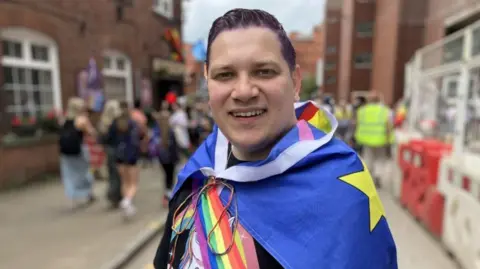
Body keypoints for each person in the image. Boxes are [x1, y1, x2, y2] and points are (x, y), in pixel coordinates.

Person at [154, 8, 397, 269]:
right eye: (225, 74)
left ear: (295, 81)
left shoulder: (343, 188)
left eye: (264, 71)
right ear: (208, 83)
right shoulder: (200, 170)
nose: (244, 91)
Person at [58, 97, 97, 208]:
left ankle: (72, 197)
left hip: (65, 152)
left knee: (69, 174)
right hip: (79, 150)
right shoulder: (82, 120)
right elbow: (92, 133)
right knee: (85, 172)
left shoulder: (64, 119)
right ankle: (88, 193)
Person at [106, 101, 141, 218]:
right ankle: (127, 202)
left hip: (119, 156)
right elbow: (138, 138)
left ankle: (127, 205)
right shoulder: (132, 124)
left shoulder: (114, 124)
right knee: (133, 183)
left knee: (125, 182)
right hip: (131, 156)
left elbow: (109, 139)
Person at [354, 91, 393, 187]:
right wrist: (389, 140)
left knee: (368, 158)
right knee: (380, 159)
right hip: (381, 139)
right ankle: (377, 177)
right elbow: (388, 126)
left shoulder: (362, 111)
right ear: (379, 100)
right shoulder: (385, 111)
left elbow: (357, 124)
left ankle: (368, 177)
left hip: (366, 140)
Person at [98, 100, 123, 208]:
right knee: (118, 175)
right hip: (118, 150)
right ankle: (116, 196)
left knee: (112, 174)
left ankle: (112, 196)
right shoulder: (117, 123)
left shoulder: (103, 123)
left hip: (108, 150)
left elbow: (101, 140)